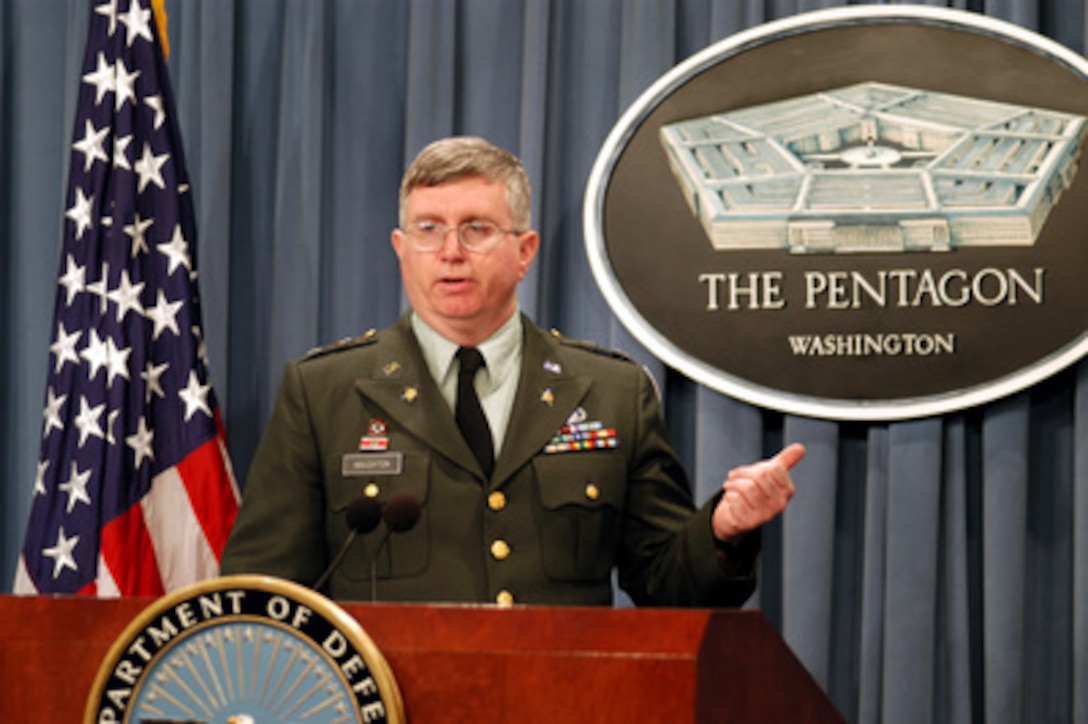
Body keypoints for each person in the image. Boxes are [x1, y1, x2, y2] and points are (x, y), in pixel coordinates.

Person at [220, 136, 803, 607]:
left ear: (525, 251)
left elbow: (668, 586)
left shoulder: (611, 392)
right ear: (401, 247)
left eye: (476, 229)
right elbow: (262, 595)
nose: (450, 251)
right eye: (428, 230)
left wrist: (724, 531)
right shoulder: (324, 393)